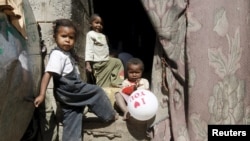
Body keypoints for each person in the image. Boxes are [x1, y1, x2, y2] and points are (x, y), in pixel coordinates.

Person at [34, 19, 118, 141]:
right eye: (63, 36)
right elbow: (48, 74)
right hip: (71, 91)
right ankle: (109, 115)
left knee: (73, 115)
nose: (67, 40)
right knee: (96, 91)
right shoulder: (58, 55)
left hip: (68, 97)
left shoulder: (67, 54)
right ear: (55, 37)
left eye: (71, 37)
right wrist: (42, 94)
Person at [85, 13, 124, 88]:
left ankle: (116, 82)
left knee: (118, 62)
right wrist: (88, 63)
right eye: (96, 23)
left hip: (106, 60)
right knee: (103, 86)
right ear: (90, 24)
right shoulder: (91, 34)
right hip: (98, 63)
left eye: (101, 24)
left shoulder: (103, 36)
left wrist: (109, 56)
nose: (99, 25)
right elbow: (89, 48)